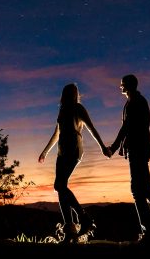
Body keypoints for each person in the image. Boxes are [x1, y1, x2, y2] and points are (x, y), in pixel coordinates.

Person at [108, 73, 150, 244]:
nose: (120, 87)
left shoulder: (135, 102)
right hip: (138, 149)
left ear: (129, 85)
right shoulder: (134, 101)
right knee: (143, 190)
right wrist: (123, 145)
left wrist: (115, 146)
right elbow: (130, 127)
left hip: (139, 150)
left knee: (139, 191)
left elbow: (128, 127)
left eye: (122, 84)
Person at [39, 82, 111, 243]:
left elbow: (91, 128)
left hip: (74, 150)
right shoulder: (62, 110)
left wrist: (102, 147)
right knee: (60, 188)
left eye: (73, 92)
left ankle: (82, 218)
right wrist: (45, 151)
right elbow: (56, 133)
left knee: (60, 186)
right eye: (68, 92)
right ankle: (70, 231)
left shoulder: (79, 109)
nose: (70, 95)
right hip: (61, 151)